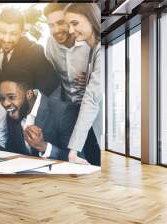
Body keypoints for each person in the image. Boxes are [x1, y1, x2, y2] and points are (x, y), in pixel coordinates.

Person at [0, 66, 78, 160]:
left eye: (11, 97)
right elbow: (10, 152)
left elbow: (77, 159)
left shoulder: (63, 112)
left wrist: (43, 146)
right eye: (2, 98)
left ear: (29, 94)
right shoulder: (12, 113)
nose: (5, 103)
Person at [0, 7, 59, 99]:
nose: (6, 39)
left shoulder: (34, 51)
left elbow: (51, 82)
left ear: (22, 33)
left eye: (13, 34)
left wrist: (29, 101)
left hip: (21, 107)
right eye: (2, 32)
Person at [64, 3, 102, 166]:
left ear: (91, 19)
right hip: (93, 128)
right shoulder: (93, 50)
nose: (71, 31)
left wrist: (73, 151)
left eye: (75, 23)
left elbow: (91, 99)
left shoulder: (101, 50)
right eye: (69, 25)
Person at [44, 3, 90, 103]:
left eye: (61, 22)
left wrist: (94, 78)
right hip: (66, 107)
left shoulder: (89, 42)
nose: (56, 30)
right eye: (51, 25)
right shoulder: (50, 43)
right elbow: (50, 78)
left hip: (91, 103)